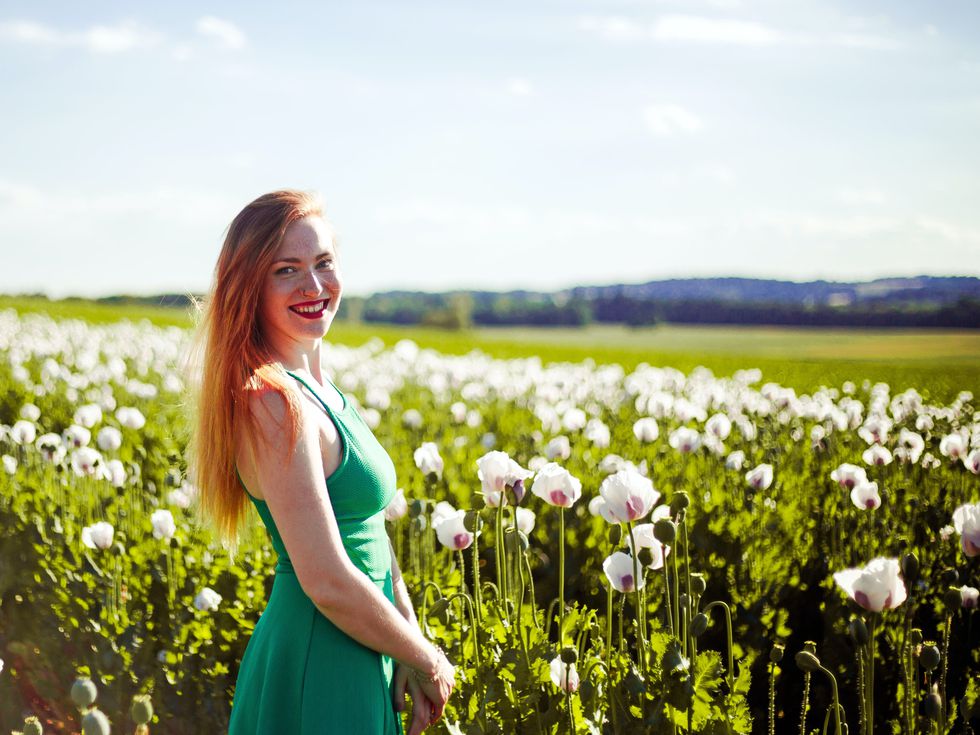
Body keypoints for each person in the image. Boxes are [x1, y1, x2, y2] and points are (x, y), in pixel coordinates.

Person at [185, 190, 454, 734]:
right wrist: (427, 657)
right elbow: (326, 578)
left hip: (367, 641)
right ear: (250, 287)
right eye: (287, 270)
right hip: (322, 653)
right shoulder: (272, 403)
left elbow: (370, 532)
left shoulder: (321, 389)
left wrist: (407, 639)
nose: (314, 286)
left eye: (323, 262)